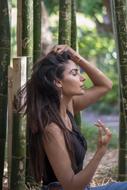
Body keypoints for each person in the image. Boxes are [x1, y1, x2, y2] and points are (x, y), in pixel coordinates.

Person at [19, 45, 127, 190]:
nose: (82, 78)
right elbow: (71, 185)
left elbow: (105, 85)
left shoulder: (68, 107)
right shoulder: (52, 129)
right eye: (75, 73)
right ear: (58, 82)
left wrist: (75, 56)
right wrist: (100, 152)